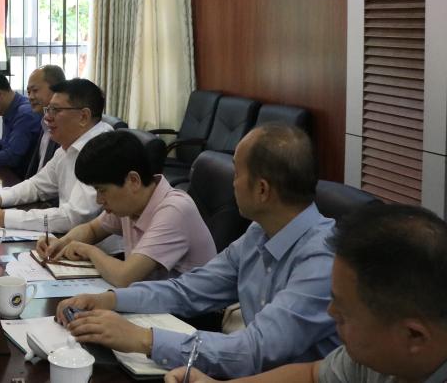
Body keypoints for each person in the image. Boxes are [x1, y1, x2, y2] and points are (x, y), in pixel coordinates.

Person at [56, 123, 340, 378]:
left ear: (262, 190)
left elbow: (256, 350)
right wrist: (109, 300)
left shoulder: (322, 260)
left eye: (237, 174)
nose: (232, 183)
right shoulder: (258, 234)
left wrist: (144, 339)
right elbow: (188, 290)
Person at [166, 203, 447, 383]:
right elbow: (313, 375)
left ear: (414, 336)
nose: (330, 313)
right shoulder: (380, 354)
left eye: (344, 314)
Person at [35, 130, 216, 287]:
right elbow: (92, 229)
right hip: (151, 299)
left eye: (102, 190)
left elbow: (124, 277)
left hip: (187, 313)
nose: (99, 200)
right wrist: (62, 243)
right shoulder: (131, 204)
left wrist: (89, 251)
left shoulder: (174, 210)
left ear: (133, 181)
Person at [0, 78, 111, 232]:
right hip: (70, 239)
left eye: (56, 110)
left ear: (83, 117)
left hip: (93, 245)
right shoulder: (67, 147)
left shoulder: (103, 150)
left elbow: (74, 217)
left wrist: (4, 217)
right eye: (48, 109)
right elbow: (37, 186)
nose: (47, 117)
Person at [24, 64, 66, 178]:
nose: (30, 97)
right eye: (28, 92)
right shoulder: (45, 121)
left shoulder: (66, 127)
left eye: (35, 90)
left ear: (57, 89)